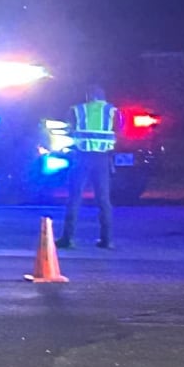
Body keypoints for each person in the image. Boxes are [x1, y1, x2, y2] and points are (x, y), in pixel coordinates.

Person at [58, 82, 121, 250]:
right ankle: (107, 240)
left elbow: (68, 130)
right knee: (104, 200)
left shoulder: (77, 110)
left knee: (75, 198)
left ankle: (68, 239)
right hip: (102, 159)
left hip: (82, 158)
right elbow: (118, 132)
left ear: (89, 96)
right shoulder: (113, 111)